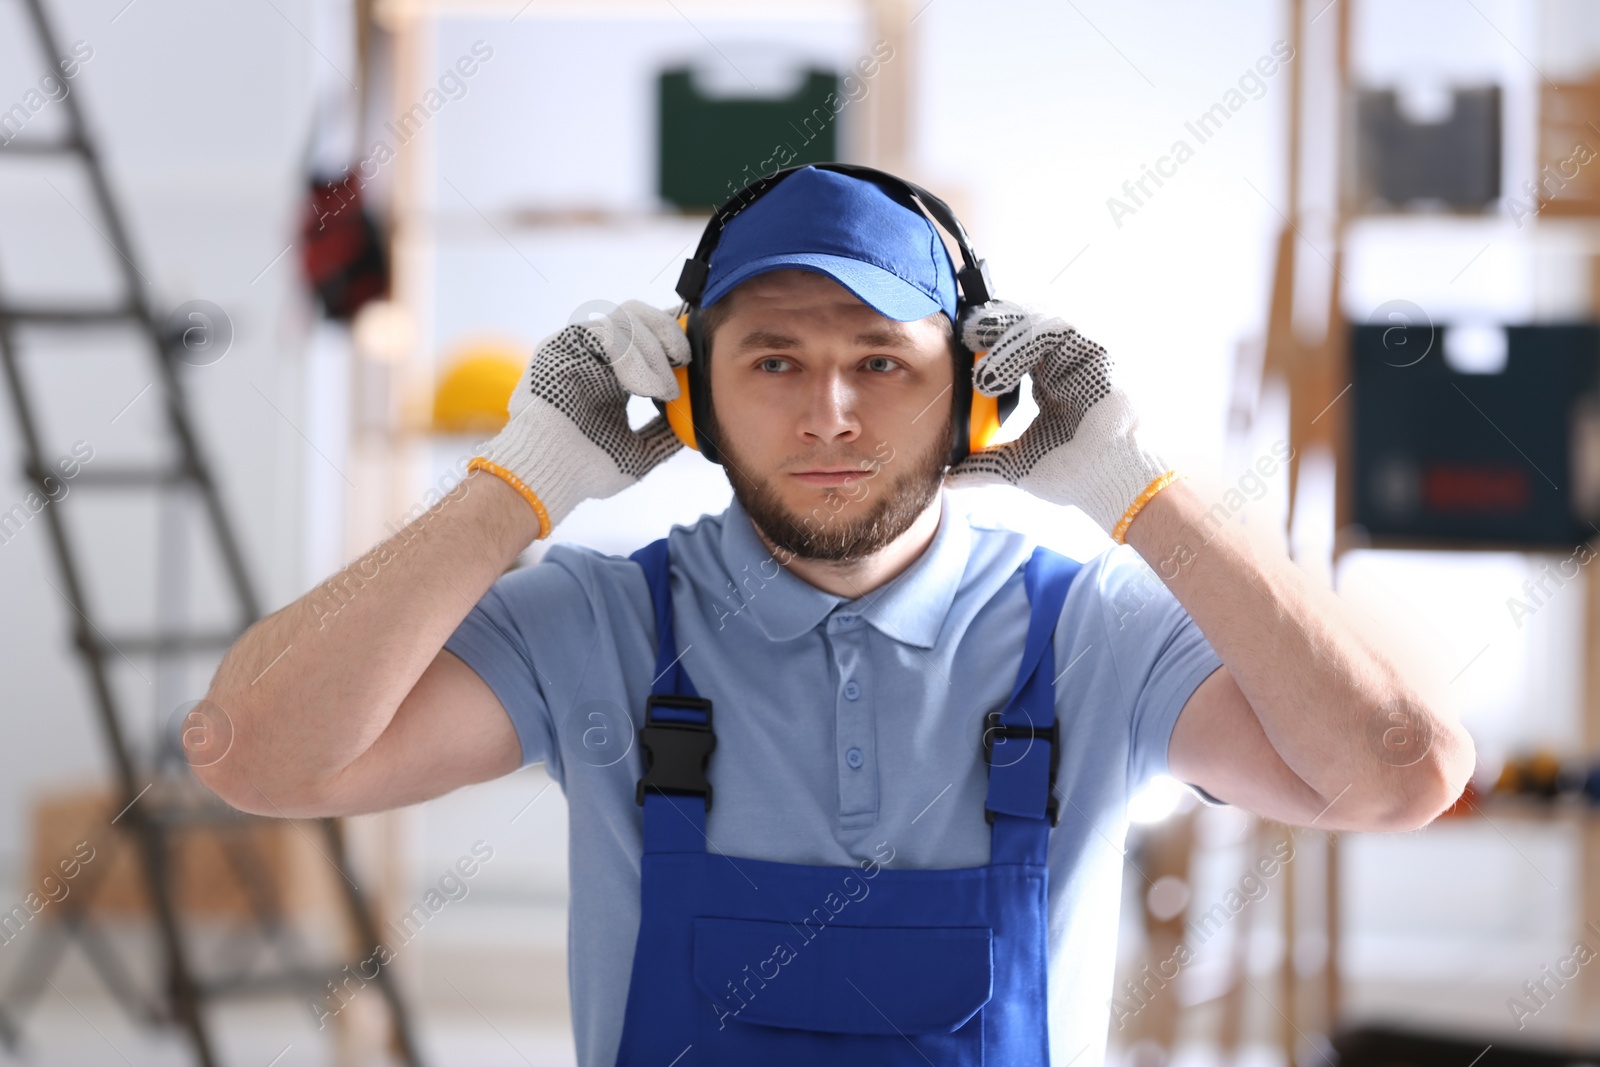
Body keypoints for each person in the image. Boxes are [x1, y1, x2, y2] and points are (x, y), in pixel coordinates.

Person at [196, 165, 1475, 1067]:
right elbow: (252, 754)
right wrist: (517, 481)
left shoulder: (1093, 637)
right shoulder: (597, 624)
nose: (829, 416)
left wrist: (1140, 490)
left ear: (973, 400)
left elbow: (1398, 776)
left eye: (880, 361)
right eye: (772, 362)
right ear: (690, 402)